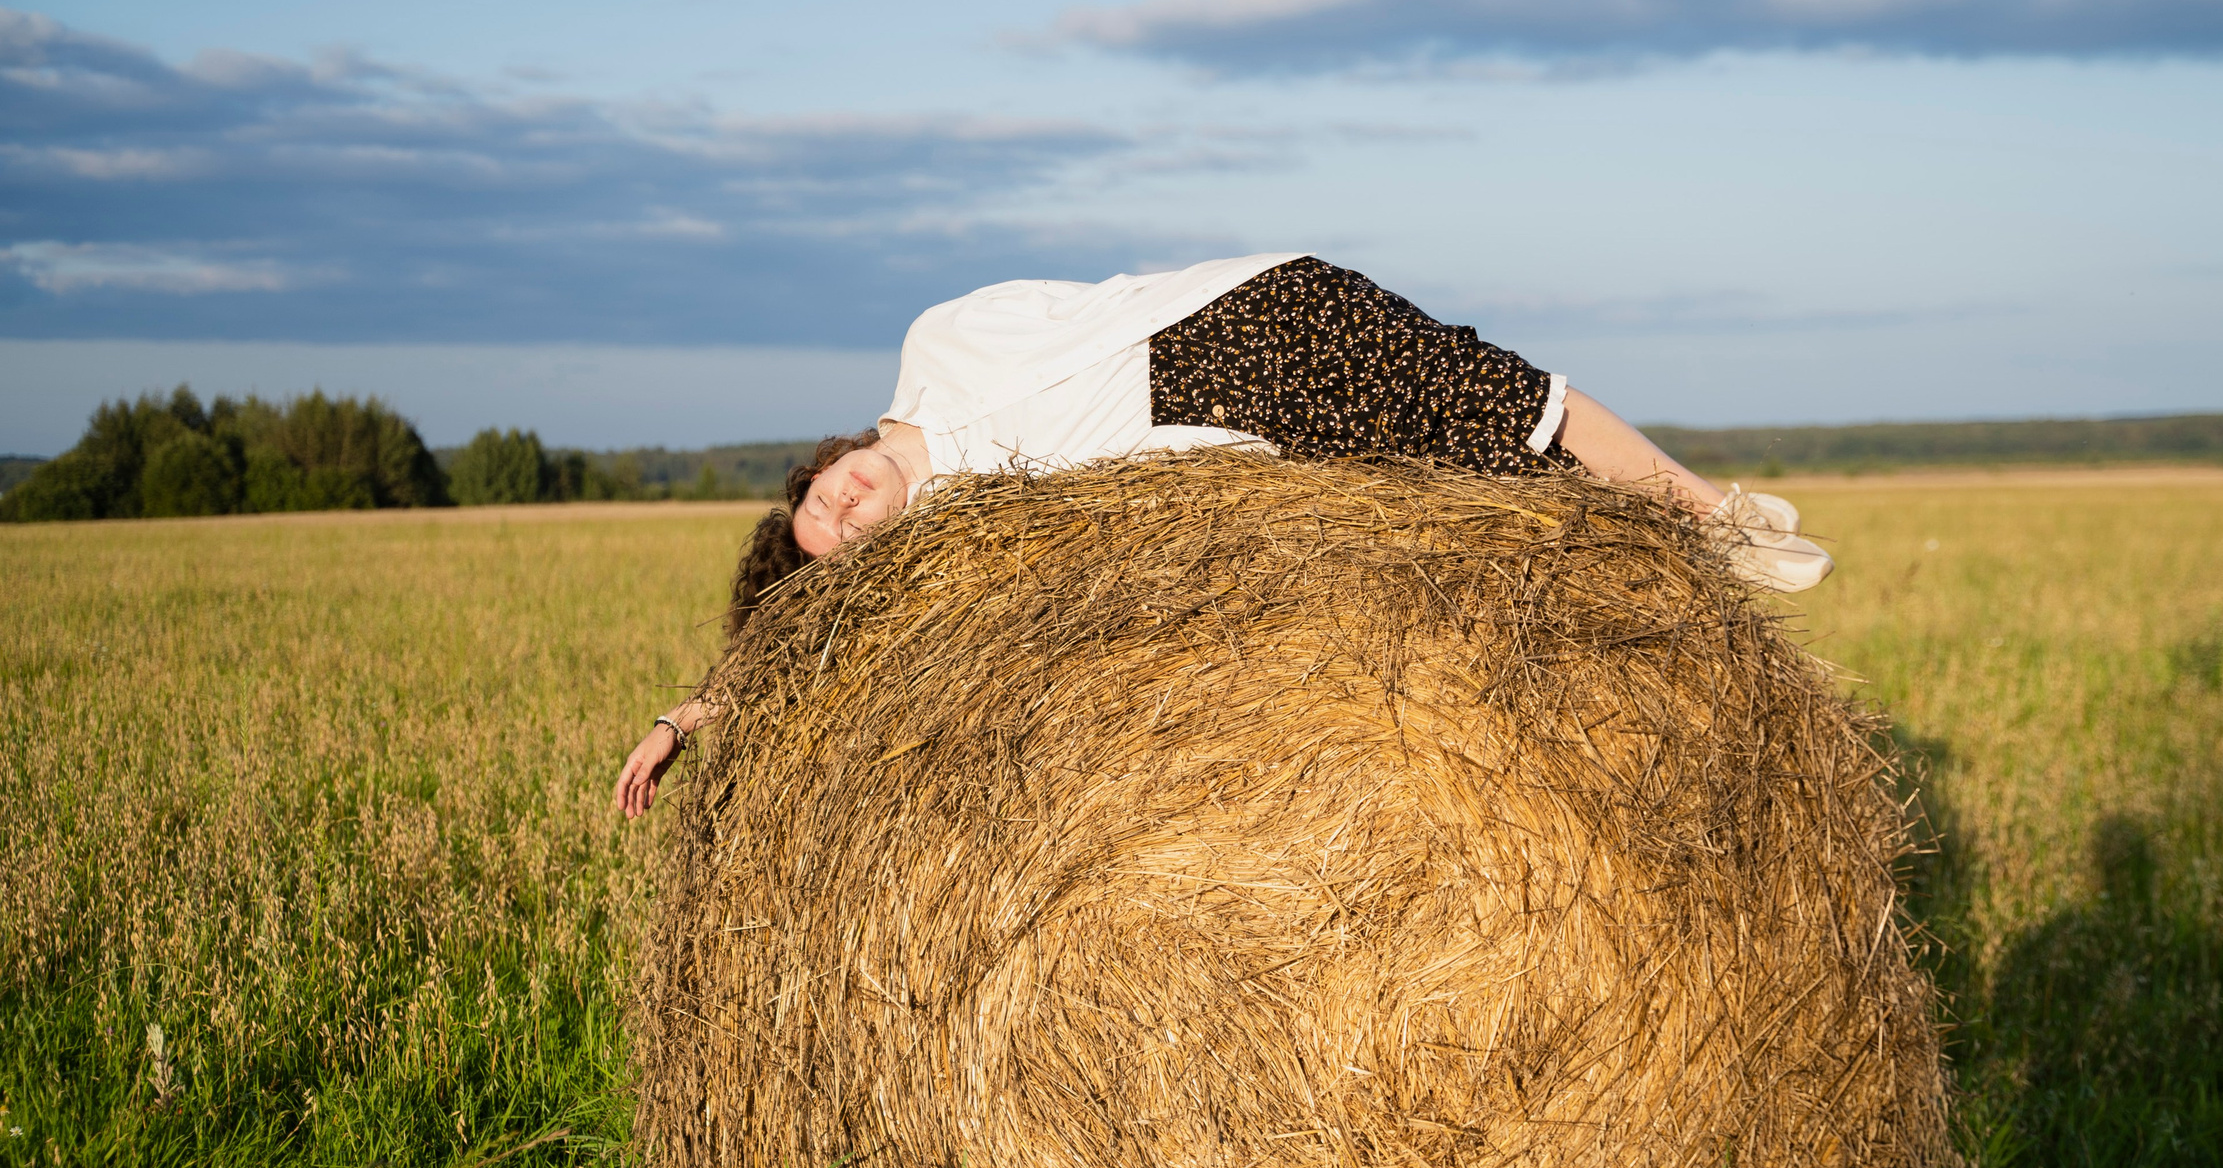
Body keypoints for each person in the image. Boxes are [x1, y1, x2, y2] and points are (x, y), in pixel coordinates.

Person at [614, 254, 1828, 817]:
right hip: (1237, 437)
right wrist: (693, 714)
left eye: (824, 497)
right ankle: (1658, 564)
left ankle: (1713, 514)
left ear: (819, 468)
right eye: (843, 529)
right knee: (1493, 491)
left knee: (1517, 403)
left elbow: (1093, 297)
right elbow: (813, 645)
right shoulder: (966, 530)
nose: (845, 505)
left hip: (1243, 316)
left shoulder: (936, 339)